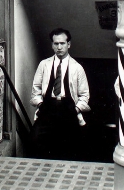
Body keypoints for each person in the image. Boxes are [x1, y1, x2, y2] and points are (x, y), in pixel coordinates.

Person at [30, 28, 90, 160]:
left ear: (69, 44)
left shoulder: (77, 67)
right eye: (56, 44)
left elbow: (84, 95)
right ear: (52, 45)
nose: (59, 47)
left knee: (68, 146)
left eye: (62, 43)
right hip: (48, 108)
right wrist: (41, 105)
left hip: (68, 108)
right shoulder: (44, 65)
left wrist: (75, 109)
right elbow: (35, 90)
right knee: (37, 141)